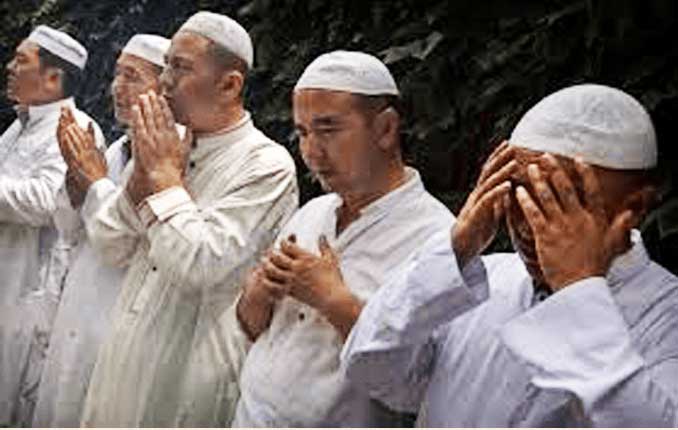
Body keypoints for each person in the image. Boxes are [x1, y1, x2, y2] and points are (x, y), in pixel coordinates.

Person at [341, 84, 678, 427]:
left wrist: (579, 289)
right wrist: (457, 247)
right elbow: (370, 369)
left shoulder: (666, 314)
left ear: (635, 207)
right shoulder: (479, 280)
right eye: (517, 192)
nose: (528, 224)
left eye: (560, 202)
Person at [79, 11, 298, 427]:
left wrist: (163, 179)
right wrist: (138, 183)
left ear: (229, 85)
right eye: (166, 66)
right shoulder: (165, 145)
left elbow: (201, 266)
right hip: (124, 355)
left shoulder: (266, 165)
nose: (164, 81)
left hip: (191, 375)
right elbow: (109, 246)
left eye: (180, 67)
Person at [231, 50, 454, 427]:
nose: (311, 151)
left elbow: (419, 385)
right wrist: (255, 296)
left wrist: (333, 300)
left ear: (385, 129)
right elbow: (252, 329)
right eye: (303, 133)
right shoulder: (311, 214)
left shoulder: (436, 239)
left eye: (328, 130)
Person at [32, 34, 171, 428]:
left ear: (165, 89)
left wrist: (93, 180)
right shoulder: (116, 149)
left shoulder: (172, 157)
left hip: (115, 322)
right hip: (76, 311)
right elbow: (71, 230)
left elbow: (122, 241)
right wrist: (75, 184)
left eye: (133, 77)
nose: (117, 88)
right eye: (116, 74)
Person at [0, 25, 104, 426]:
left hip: (29, 296)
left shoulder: (74, 128)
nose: (10, 68)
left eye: (21, 60)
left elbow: (45, 200)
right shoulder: (19, 125)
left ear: (53, 77)